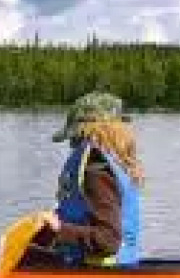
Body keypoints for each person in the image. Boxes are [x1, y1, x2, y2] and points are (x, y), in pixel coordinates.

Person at [31, 91, 143, 266]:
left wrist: (60, 229)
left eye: (76, 138)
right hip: (110, 266)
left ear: (89, 132)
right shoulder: (114, 163)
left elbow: (108, 240)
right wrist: (45, 233)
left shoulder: (96, 170)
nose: (72, 144)